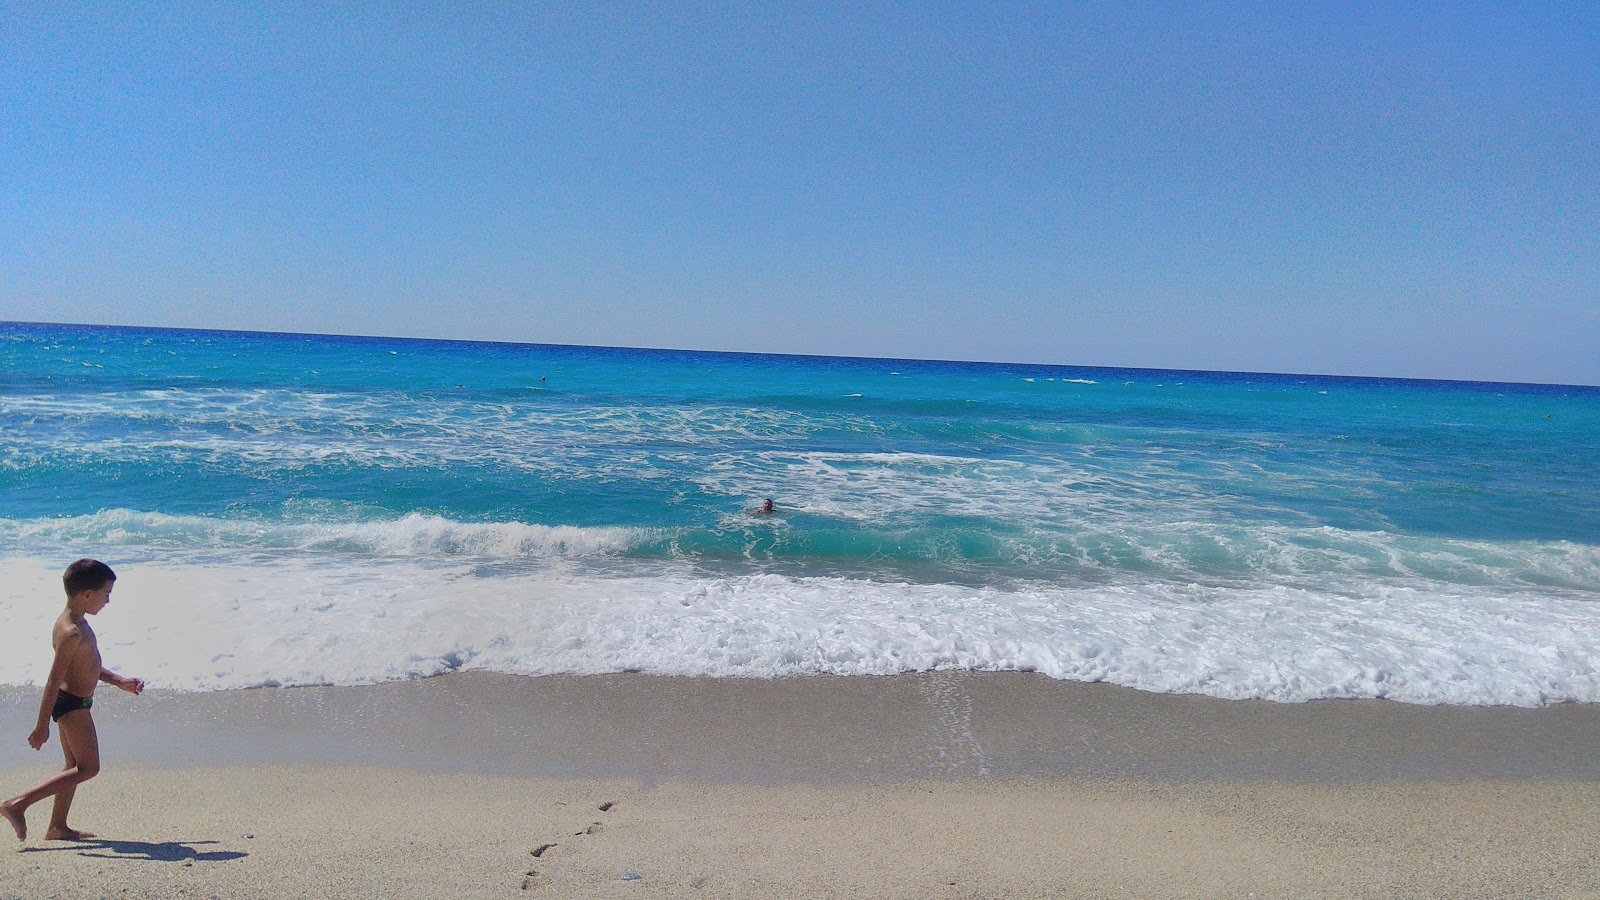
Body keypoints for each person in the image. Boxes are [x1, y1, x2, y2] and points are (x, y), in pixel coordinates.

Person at [2, 559, 144, 842]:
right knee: (88, 768)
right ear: (86, 595)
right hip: (71, 705)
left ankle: (57, 827)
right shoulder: (71, 632)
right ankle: (17, 804)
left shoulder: (78, 622)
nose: (108, 601)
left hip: (74, 702)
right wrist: (41, 726)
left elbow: (87, 666)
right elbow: (54, 679)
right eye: (106, 594)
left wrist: (119, 682)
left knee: (72, 767)